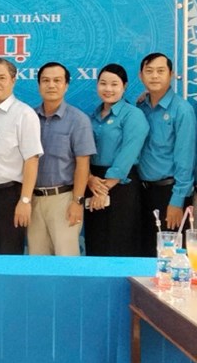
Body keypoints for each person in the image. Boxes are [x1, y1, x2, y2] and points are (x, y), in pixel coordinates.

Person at [0, 58, 43, 254]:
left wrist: (25, 200)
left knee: (8, 254)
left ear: (13, 80)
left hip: (9, 197)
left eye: (2, 77)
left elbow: (32, 160)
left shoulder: (24, 114)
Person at [27, 63, 95, 256]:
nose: (51, 85)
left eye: (57, 81)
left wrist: (77, 202)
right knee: (37, 259)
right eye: (46, 81)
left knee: (66, 260)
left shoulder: (78, 120)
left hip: (64, 200)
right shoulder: (28, 117)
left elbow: (83, 165)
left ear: (66, 85)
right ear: (39, 85)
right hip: (33, 200)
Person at [85, 64, 149, 256]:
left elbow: (128, 153)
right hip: (94, 182)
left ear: (125, 86)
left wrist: (104, 189)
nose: (108, 89)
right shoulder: (92, 117)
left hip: (121, 184)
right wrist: (89, 178)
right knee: (95, 241)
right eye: (103, 83)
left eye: (114, 84)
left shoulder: (133, 115)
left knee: (119, 242)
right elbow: (83, 153)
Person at [137, 52, 196, 256]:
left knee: (171, 260)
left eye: (160, 71)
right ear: (141, 76)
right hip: (142, 193)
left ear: (171, 74)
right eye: (149, 71)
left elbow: (186, 159)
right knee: (145, 254)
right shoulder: (140, 107)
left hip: (169, 193)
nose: (154, 76)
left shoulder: (182, 110)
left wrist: (177, 201)